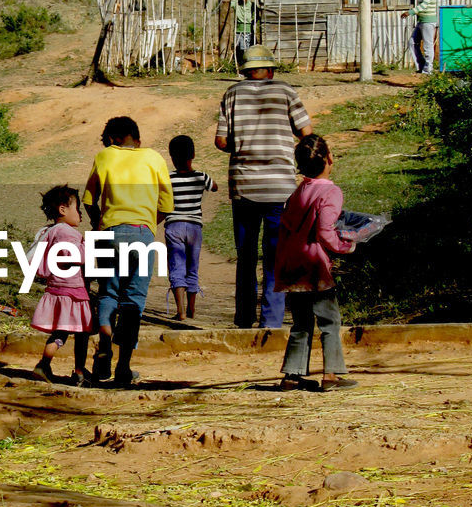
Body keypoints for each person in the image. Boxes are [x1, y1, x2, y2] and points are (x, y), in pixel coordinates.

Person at [215, 44, 313, 329]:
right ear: (270, 70)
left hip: (244, 186)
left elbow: (221, 141)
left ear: (245, 71)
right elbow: (306, 132)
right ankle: (271, 320)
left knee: (245, 255)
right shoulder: (285, 91)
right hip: (280, 188)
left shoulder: (232, 93)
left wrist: (245, 146)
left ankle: (245, 317)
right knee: (275, 256)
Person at [83, 116, 174, 386]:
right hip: (142, 234)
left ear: (111, 139)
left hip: (110, 231)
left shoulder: (104, 156)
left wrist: (99, 222)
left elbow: (89, 200)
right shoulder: (154, 158)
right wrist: (146, 227)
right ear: (137, 138)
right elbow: (167, 206)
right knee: (133, 300)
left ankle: (103, 351)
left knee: (109, 293)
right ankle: (123, 367)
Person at [274, 135, 357, 392]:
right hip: (314, 265)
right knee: (330, 321)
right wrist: (346, 246)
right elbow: (324, 230)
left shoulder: (298, 192)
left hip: (292, 264)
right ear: (328, 159)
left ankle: (292, 374)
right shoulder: (330, 191)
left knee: (301, 322)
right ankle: (331, 374)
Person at [30, 185, 94, 386]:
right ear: (62, 210)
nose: (80, 215)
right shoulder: (67, 233)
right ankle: (79, 371)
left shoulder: (50, 231)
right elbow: (74, 256)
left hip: (58, 289)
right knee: (82, 333)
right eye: (77, 209)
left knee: (60, 333)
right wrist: (88, 247)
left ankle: (44, 365)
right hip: (73, 292)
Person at [164, 134, 218, 321]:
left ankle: (180, 311)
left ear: (171, 156)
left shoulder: (168, 177)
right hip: (195, 227)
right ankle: (192, 309)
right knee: (192, 268)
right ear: (193, 154)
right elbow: (215, 187)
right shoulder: (201, 176)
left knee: (176, 267)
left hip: (174, 226)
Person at [402, 0, 438, 75]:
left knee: (428, 46)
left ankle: (428, 70)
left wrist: (410, 12)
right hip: (421, 20)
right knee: (412, 43)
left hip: (428, 21)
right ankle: (422, 66)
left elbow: (424, 5)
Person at [234, 0, 254, 69]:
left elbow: (257, 15)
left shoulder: (252, 5)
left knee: (245, 48)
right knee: (238, 48)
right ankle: (239, 65)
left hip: (247, 29)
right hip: (238, 29)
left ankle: (246, 66)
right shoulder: (236, 4)